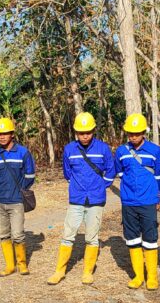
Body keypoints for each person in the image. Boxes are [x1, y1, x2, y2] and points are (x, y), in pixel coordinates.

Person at [47, 112, 115, 285]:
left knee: (92, 237)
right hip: (76, 199)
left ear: (93, 130)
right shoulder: (69, 149)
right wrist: (78, 187)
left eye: (88, 132)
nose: (85, 136)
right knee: (68, 235)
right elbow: (67, 173)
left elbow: (111, 170)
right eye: (81, 132)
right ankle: (59, 271)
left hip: (96, 200)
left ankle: (87, 272)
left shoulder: (103, 149)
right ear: (76, 132)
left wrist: (101, 186)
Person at [114, 113, 160, 290]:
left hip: (149, 201)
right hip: (128, 202)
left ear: (144, 132)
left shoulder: (155, 150)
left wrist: (158, 198)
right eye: (130, 133)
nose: (133, 136)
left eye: (137, 133)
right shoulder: (121, 152)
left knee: (150, 239)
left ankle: (152, 277)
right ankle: (138, 276)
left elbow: (159, 176)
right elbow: (120, 174)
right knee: (132, 239)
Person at [0, 117, 36, 276]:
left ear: (12, 134)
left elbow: (30, 176)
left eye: (5, 133)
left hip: (16, 202)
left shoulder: (23, 152)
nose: (2, 136)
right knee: (3, 234)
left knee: (17, 235)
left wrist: (20, 191)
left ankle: (22, 264)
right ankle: (10, 265)